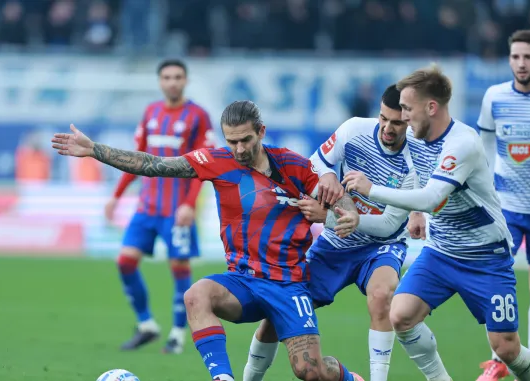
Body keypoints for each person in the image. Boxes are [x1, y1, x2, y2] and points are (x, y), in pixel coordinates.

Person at [52, 100, 365, 381]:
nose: (239, 149)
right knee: (196, 295)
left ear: (261, 131)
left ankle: (351, 379)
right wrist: (94, 150)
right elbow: (152, 164)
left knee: (310, 371)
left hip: (288, 284)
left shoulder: (294, 165)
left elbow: (339, 199)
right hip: (242, 281)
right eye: (232, 141)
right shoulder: (214, 160)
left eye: (246, 140)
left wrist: (344, 214)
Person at [343, 65, 530, 380]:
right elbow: (414, 175)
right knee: (401, 315)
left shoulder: (461, 144)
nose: (403, 117)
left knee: (505, 348)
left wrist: (372, 190)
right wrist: (415, 212)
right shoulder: (415, 135)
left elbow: (433, 196)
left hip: (485, 256)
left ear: (431, 107)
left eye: (408, 108)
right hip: (441, 252)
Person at [243, 84, 414, 381]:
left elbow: (389, 225)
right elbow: (313, 162)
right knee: (278, 310)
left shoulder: (415, 159)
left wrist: (331, 218)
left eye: (396, 122)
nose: (387, 127)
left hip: (381, 246)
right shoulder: (353, 130)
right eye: (383, 118)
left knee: (382, 293)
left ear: (410, 121)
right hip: (335, 245)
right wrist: (327, 175)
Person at [105, 59, 215, 354]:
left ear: (186, 80)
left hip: (177, 207)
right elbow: (134, 159)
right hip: (147, 206)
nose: (172, 82)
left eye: (178, 77)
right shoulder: (151, 112)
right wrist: (116, 196)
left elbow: (202, 166)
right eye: (167, 77)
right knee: (125, 262)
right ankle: (147, 325)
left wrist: (190, 205)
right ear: (160, 81)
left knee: (179, 267)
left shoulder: (198, 116)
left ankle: (178, 333)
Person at [475, 29, 530, 381]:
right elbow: (486, 147)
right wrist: (485, 190)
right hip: (505, 207)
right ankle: (496, 361)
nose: (521, 63)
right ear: (509, 60)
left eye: (528, 57)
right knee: (497, 281)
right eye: (516, 57)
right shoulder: (494, 97)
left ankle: (529, 363)